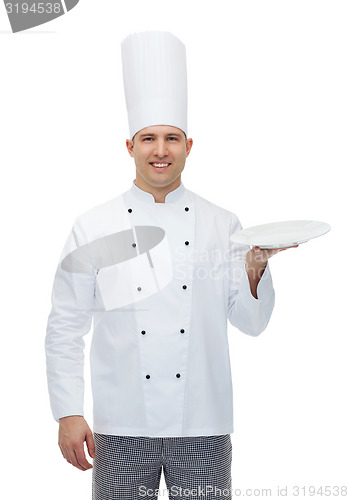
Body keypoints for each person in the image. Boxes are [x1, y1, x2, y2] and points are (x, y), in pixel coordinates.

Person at [45, 31, 295, 500]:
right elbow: (65, 324)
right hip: (119, 424)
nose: (160, 150)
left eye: (171, 139)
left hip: (203, 420)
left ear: (188, 145)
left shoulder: (224, 224)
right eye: (149, 139)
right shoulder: (93, 225)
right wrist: (68, 411)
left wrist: (256, 268)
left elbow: (251, 324)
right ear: (129, 146)